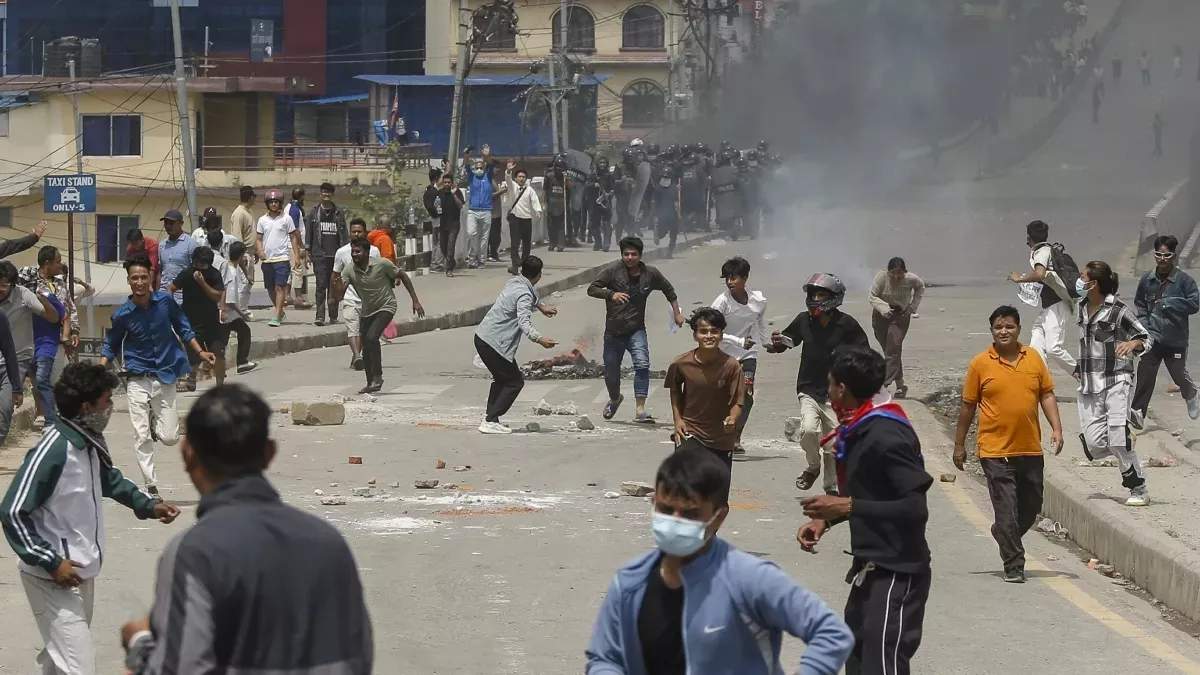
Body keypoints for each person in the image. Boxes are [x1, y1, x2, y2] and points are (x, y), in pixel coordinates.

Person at [120, 384, 373, 675]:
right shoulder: (329, 542)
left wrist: (139, 645)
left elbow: (180, 668)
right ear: (270, 453)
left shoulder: (195, 552)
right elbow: (358, 657)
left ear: (188, 455)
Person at [585, 447, 853, 675]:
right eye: (666, 509)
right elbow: (605, 658)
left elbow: (830, 633)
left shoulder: (748, 579)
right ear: (654, 503)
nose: (675, 521)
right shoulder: (630, 582)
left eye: (690, 514)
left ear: (719, 518)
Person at [1, 362, 180, 675]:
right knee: (79, 666)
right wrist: (50, 561)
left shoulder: (88, 440)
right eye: (106, 400)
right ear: (86, 407)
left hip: (80, 572)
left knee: (60, 660)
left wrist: (149, 505)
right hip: (51, 577)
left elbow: (109, 479)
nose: (110, 407)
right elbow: (12, 510)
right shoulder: (54, 450)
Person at [797, 346, 932, 675]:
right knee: (856, 657)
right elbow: (873, 493)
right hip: (869, 565)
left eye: (830, 384)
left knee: (881, 663)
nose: (828, 392)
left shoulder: (886, 434)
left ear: (841, 389)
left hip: (897, 571)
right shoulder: (858, 429)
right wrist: (826, 520)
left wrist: (846, 505)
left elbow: (915, 507)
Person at [954, 305, 1063, 583]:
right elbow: (968, 406)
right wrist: (959, 444)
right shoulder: (980, 364)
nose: (1004, 331)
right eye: (998, 327)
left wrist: (1057, 428)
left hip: (1030, 448)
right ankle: (1014, 564)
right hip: (995, 451)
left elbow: (1046, 394)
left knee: (1032, 505)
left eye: (1009, 327)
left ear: (1018, 329)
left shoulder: (1033, 358)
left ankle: (1003, 532)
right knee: (1006, 509)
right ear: (992, 331)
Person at [101, 256, 216, 496]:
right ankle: (151, 486)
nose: (140, 282)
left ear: (151, 276)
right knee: (141, 434)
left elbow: (183, 327)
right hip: (137, 377)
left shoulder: (165, 302)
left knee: (170, 437)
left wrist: (200, 352)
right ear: (129, 281)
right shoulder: (122, 314)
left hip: (165, 375)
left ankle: (156, 420)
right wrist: (98, 370)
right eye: (135, 278)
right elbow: (111, 344)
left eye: (144, 277)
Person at [767, 273, 870, 495]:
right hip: (809, 388)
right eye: (813, 295)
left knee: (832, 446)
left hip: (836, 393)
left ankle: (830, 487)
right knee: (808, 431)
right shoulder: (804, 320)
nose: (815, 299)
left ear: (834, 297)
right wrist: (777, 344)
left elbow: (864, 351)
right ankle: (813, 467)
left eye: (820, 295)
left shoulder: (847, 324)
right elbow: (790, 340)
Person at [1074, 261, 1151, 506]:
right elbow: (1087, 343)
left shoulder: (1118, 310)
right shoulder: (1081, 307)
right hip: (1091, 383)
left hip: (1117, 379)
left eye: (1083, 277)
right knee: (1094, 446)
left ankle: (1138, 488)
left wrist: (1132, 343)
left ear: (1094, 283)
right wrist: (1079, 366)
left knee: (1118, 440)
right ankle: (1127, 421)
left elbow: (1145, 337)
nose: (1079, 281)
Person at [588, 236, 685, 424]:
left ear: (640, 255)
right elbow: (592, 288)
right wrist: (611, 294)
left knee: (642, 365)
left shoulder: (650, 274)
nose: (630, 258)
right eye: (626, 254)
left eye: (634, 254)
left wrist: (677, 314)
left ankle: (640, 410)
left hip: (636, 330)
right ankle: (615, 399)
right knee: (611, 374)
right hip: (613, 332)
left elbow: (669, 290)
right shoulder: (613, 271)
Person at [474, 256, 558, 434]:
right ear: (539, 274)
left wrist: (540, 306)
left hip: (483, 337)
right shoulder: (524, 295)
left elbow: (529, 293)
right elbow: (524, 323)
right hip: (494, 343)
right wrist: (540, 339)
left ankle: (491, 418)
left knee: (502, 379)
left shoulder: (514, 282)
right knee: (514, 382)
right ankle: (490, 420)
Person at [340, 237, 425, 393]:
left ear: (367, 252)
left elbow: (403, 276)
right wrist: (337, 289)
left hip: (386, 306)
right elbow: (339, 294)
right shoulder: (349, 269)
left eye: (358, 251)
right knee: (366, 347)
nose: (354, 255)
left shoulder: (382, 264)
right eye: (353, 251)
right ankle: (370, 382)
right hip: (367, 310)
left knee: (372, 337)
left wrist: (415, 301)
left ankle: (378, 377)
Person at [1132, 234, 1200, 425]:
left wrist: (1169, 303)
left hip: (1175, 338)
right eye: (1159, 255)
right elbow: (1141, 307)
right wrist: (1143, 331)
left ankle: (1191, 393)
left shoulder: (1184, 280)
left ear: (1174, 256)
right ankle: (1137, 413)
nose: (1162, 259)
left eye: (1167, 255)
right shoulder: (1147, 280)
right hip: (1152, 336)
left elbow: (1194, 304)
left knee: (1178, 373)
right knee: (1145, 373)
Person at [665, 308, 746, 469]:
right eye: (703, 331)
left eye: (714, 331)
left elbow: (737, 400)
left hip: (721, 438)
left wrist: (733, 419)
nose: (709, 336)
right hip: (689, 432)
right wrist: (678, 420)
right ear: (695, 335)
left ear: (721, 335)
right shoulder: (680, 363)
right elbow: (675, 390)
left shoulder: (732, 366)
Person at [710, 256, 768, 455]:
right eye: (727, 278)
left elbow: (760, 321)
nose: (729, 282)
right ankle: (718, 432)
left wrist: (766, 341)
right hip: (723, 355)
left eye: (733, 277)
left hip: (747, 355)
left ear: (745, 278)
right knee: (722, 395)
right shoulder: (721, 302)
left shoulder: (758, 301)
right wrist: (738, 341)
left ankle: (735, 436)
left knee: (747, 395)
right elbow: (712, 331)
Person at [1007, 219, 1077, 373]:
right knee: (1036, 344)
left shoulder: (1041, 252)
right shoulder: (1047, 250)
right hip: (1049, 307)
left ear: (1029, 237)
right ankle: (1041, 379)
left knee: (1053, 349)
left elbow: (1040, 274)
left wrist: (1019, 279)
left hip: (1058, 305)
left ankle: (1081, 374)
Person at [0, 260, 56, 444]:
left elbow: (51, 317)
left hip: (16, 361)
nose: (0, 289)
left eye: (4, 285)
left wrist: (46, 302)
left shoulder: (24, 295)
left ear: (12, 284)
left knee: (5, 407)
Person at [168, 246, 228, 387]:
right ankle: (192, 375)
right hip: (191, 321)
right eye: (196, 263)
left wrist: (202, 283)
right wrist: (170, 307)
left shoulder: (214, 274)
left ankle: (220, 387)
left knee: (219, 354)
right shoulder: (187, 273)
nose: (199, 268)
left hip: (212, 321)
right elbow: (171, 288)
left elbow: (217, 296)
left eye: (203, 265)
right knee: (194, 355)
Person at [868, 257, 925, 398]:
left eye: (899, 272)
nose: (896, 276)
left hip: (900, 315)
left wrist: (912, 307)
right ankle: (900, 385)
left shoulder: (911, 279)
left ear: (904, 271)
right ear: (888, 271)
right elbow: (872, 296)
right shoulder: (881, 277)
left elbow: (920, 287)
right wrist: (884, 308)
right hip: (881, 315)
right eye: (892, 272)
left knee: (893, 349)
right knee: (889, 350)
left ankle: (883, 386)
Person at [28, 247, 68, 426]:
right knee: (37, 383)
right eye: (58, 261)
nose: (60, 265)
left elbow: (65, 314)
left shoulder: (52, 290)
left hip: (49, 344)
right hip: (29, 345)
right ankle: (46, 415)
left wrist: (68, 335)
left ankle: (51, 420)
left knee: (43, 379)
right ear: (47, 263)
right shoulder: (27, 286)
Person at [334, 219, 379, 371]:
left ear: (365, 232)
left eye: (359, 231)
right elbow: (335, 275)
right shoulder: (342, 252)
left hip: (369, 299)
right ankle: (357, 355)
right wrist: (333, 296)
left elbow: (379, 272)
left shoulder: (374, 251)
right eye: (353, 231)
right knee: (352, 329)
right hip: (350, 298)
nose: (356, 234)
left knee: (363, 331)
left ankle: (357, 356)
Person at [255, 189, 302, 328]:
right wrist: (260, 250)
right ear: (267, 204)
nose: (273, 204)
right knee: (270, 288)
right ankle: (280, 311)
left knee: (279, 287)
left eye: (276, 202)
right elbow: (259, 238)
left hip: (282, 259)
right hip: (267, 260)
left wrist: (297, 256)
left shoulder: (286, 219)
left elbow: (293, 238)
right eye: (271, 202)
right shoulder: (262, 220)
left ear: (280, 203)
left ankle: (276, 316)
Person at [304, 182, 349, 326]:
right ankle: (320, 316)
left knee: (334, 287)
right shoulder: (313, 212)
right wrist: (307, 252)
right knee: (320, 286)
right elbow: (308, 233)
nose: (326, 194)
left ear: (332, 194)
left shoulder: (338, 212)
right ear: (320, 193)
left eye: (329, 192)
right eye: (324, 192)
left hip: (336, 256)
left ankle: (333, 316)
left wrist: (347, 252)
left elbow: (344, 234)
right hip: (319, 255)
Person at [220, 241, 257, 375]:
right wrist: (242, 313)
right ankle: (221, 367)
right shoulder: (232, 273)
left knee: (242, 332)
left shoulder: (228, 267)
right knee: (222, 342)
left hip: (229, 314)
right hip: (228, 314)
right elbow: (229, 300)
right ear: (240, 256)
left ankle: (241, 362)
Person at [504, 161, 543, 276]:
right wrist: (509, 170)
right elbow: (508, 179)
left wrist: (538, 210)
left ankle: (525, 266)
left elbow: (535, 200)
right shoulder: (513, 187)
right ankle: (515, 266)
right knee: (515, 244)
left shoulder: (529, 190)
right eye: (519, 177)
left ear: (526, 179)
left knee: (526, 245)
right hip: (515, 219)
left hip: (526, 219)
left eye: (523, 177)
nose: (521, 179)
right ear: (516, 178)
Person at [461, 148, 495, 269]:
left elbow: (490, 163)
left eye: (481, 167)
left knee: (484, 237)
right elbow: (466, 164)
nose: (479, 169)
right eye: (477, 168)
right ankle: (472, 259)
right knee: (471, 234)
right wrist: (467, 156)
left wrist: (486, 156)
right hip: (473, 210)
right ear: (474, 169)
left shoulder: (488, 177)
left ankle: (481, 260)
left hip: (486, 210)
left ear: (484, 168)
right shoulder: (472, 177)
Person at [155, 209, 197, 305]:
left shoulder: (190, 244)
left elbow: (195, 271)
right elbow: (160, 272)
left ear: (181, 224)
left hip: (182, 297)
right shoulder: (162, 245)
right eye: (166, 223)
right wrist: (157, 294)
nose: (168, 226)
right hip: (163, 296)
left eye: (171, 223)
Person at [436, 174, 465, 276]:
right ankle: (452, 262)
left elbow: (460, 205)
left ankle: (449, 270)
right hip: (443, 224)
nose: (447, 184)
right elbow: (437, 207)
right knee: (443, 248)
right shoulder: (440, 193)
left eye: (449, 182)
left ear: (452, 183)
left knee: (450, 247)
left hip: (454, 224)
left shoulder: (457, 192)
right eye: (445, 182)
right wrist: (436, 206)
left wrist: (454, 195)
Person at [653, 164, 682, 258]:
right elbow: (676, 202)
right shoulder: (674, 188)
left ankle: (658, 235)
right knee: (673, 234)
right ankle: (670, 251)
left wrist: (654, 213)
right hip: (672, 214)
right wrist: (679, 214)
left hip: (661, 214)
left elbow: (654, 201)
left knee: (663, 233)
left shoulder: (657, 187)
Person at [232, 185, 258, 286]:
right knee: (243, 285)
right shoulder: (239, 213)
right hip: (244, 254)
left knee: (249, 284)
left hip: (251, 252)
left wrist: (255, 250)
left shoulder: (249, 211)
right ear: (251, 197)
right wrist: (241, 256)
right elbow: (237, 236)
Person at [544, 155, 568, 252]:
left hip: (563, 204)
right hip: (551, 203)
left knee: (561, 225)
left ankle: (560, 244)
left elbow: (572, 188)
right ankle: (552, 243)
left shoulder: (566, 177)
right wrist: (543, 202)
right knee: (551, 226)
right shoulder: (549, 176)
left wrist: (567, 179)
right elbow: (545, 189)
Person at [424, 167, 446, 272]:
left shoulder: (428, 189)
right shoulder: (435, 192)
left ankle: (434, 263)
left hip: (434, 219)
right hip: (439, 219)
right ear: (437, 178)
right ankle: (437, 264)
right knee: (441, 242)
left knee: (436, 243)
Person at [488, 160, 508, 263]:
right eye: (496, 168)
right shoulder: (488, 181)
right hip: (491, 213)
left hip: (497, 213)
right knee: (492, 235)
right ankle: (490, 254)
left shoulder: (493, 180)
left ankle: (494, 254)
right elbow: (488, 196)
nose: (498, 170)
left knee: (496, 235)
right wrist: (501, 192)